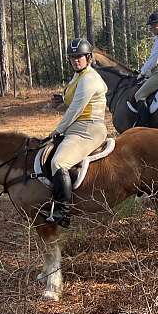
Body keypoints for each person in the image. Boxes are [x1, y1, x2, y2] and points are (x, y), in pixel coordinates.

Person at [46, 38, 108, 228]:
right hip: (77, 127)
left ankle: (63, 212)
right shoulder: (79, 76)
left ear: (88, 57)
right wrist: (61, 98)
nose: (75, 60)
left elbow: (76, 109)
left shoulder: (89, 78)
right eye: (72, 57)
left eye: (79, 57)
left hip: (89, 128)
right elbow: (72, 97)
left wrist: (58, 129)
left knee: (59, 162)